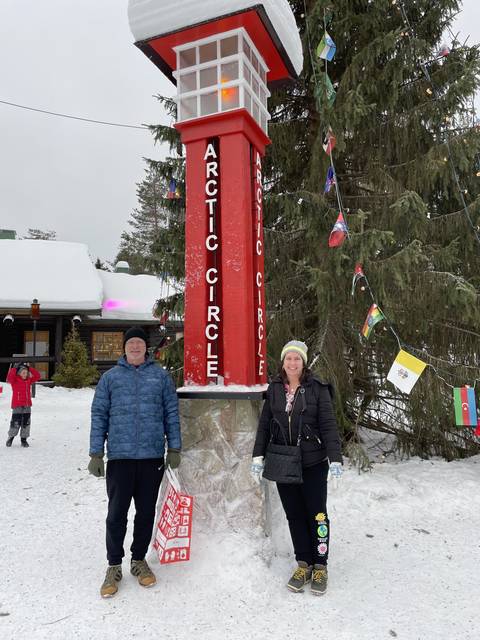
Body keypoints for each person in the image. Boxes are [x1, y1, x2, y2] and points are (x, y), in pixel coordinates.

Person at [89, 326, 182, 598]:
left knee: (145, 513)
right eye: (131, 344)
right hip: (120, 457)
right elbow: (99, 415)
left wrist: (174, 447)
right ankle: (114, 564)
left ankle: (139, 561)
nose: (136, 347)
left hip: (151, 457)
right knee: (116, 514)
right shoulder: (110, 378)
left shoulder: (161, 378)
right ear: (125, 348)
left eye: (140, 343)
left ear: (146, 348)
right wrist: (96, 453)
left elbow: (171, 413)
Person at [251, 340, 343, 595]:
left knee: (318, 515)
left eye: (297, 359)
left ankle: (321, 566)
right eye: (288, 359)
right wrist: (257, 456)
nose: (292, 363)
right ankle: (303, 563)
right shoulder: (275, 389)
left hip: (313, 462)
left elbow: (328, 425)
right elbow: (264, 424)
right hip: (283, 462)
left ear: (303, 363)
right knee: (294, 515)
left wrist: (335, 460)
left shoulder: (318, 389)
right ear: (283, 362)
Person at [6, 363, 41, 448]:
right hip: (17, 405)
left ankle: (24, 440)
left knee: (26, 423)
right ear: (19, 373)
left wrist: (29, 368)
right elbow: (9, 378)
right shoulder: (14, 381)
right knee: (16, 422)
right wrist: (15, 368)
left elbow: (38, 376)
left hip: (27, 405)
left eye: (26, 372)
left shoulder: (29, 381)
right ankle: (11, 437)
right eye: (23, 372)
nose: (25, 374)